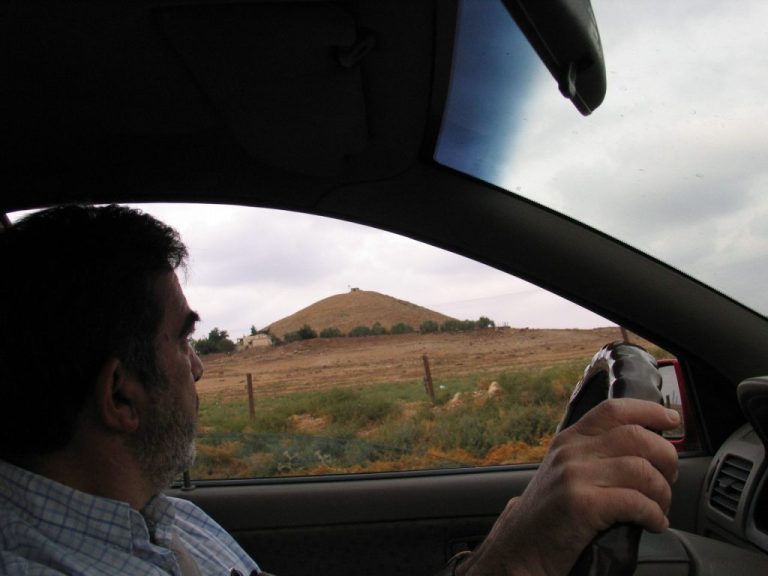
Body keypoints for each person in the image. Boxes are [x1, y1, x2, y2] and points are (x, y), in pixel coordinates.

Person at [0, 204, 679, 576]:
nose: (199, 368)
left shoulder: (166, 519)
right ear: (121, 397)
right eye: (183, 341)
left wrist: (504, 548)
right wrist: (516, 559)